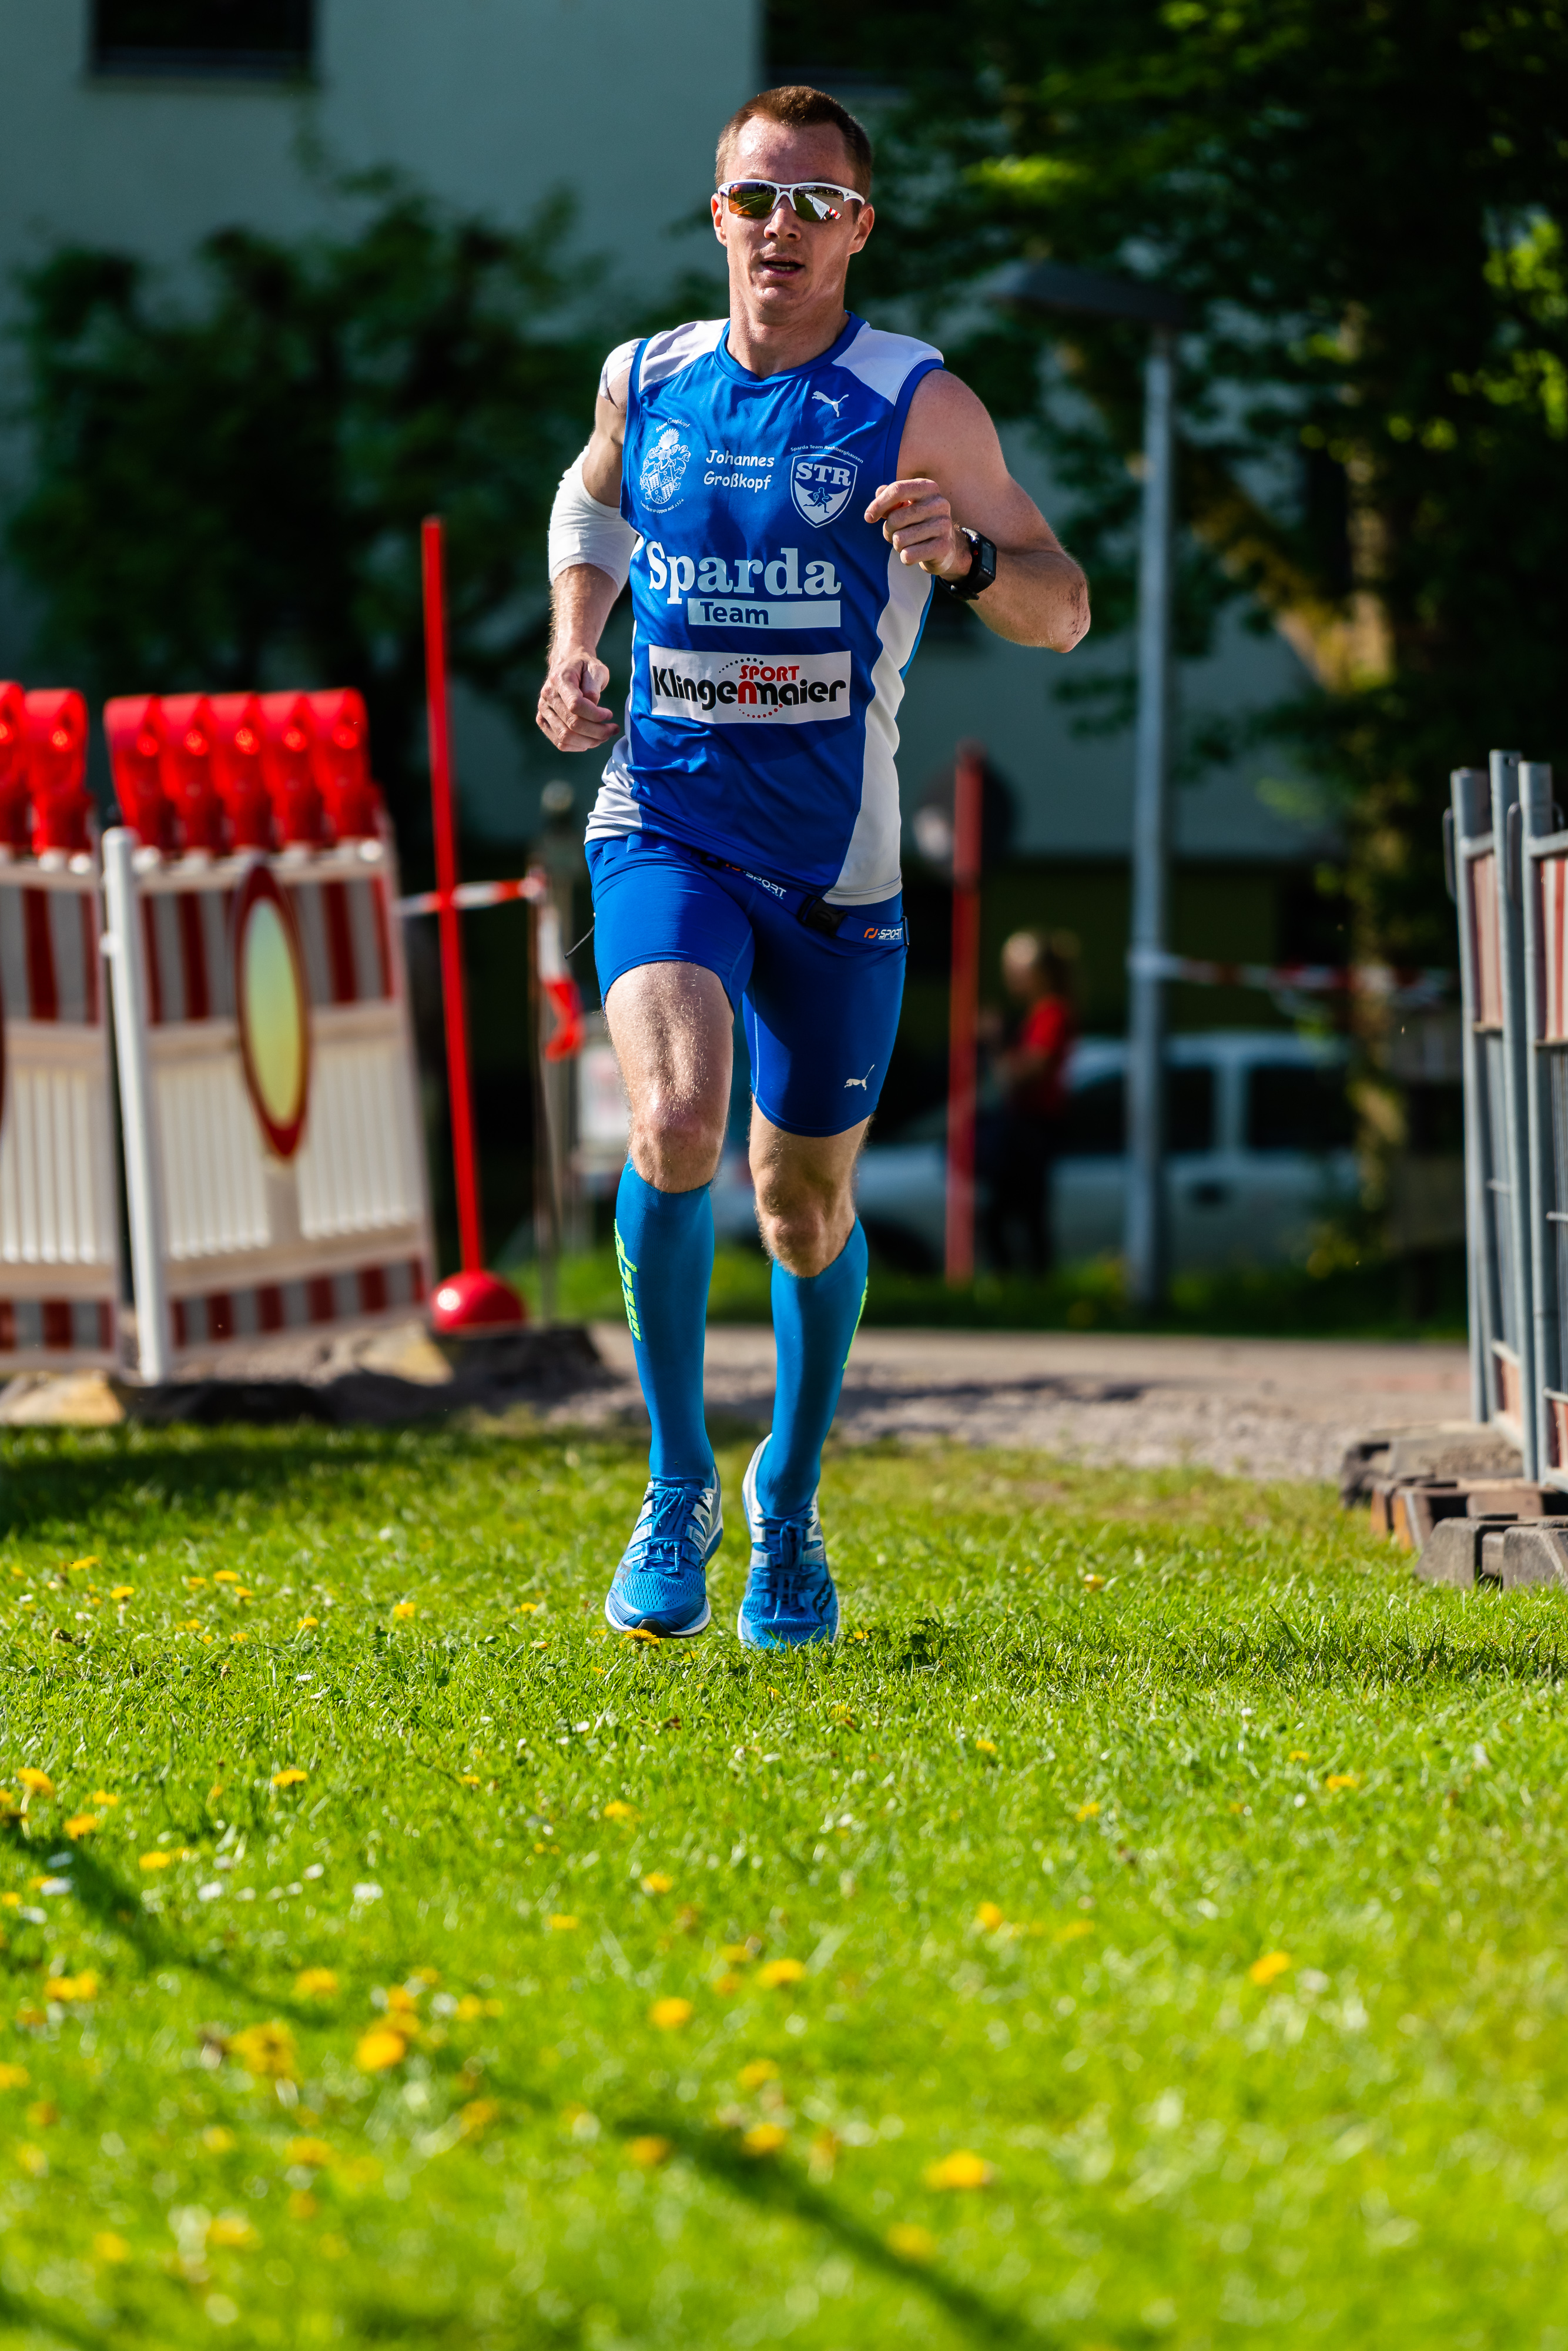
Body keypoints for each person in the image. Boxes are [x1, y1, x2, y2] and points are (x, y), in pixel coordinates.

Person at [536, 83, 1089, 1647]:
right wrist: (576, 646)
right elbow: (588, 502)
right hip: (663, 820)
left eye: (813, 204)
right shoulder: (646, 378)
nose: (779, 227)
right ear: (715, 215)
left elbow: (1062, 605)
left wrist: (964, 560)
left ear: (858, 230)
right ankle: (676, 1483)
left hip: (838, 874)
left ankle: (785, 1495)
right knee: (674, 1120)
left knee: (798, 1207)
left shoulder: (916, 403)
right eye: (754, 199)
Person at [983, 930, 1078, 1277]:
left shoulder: (1052, 1014)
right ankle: (1029, 1285)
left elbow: (1027, 1073)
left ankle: (1024, 1285)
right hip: (1029, 1123)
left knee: (1011, 1216)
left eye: (1016, 971)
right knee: (1020, 1214)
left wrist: (995, 1044)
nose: (1010, 979)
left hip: (1033, 1126)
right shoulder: (1039, 1013)